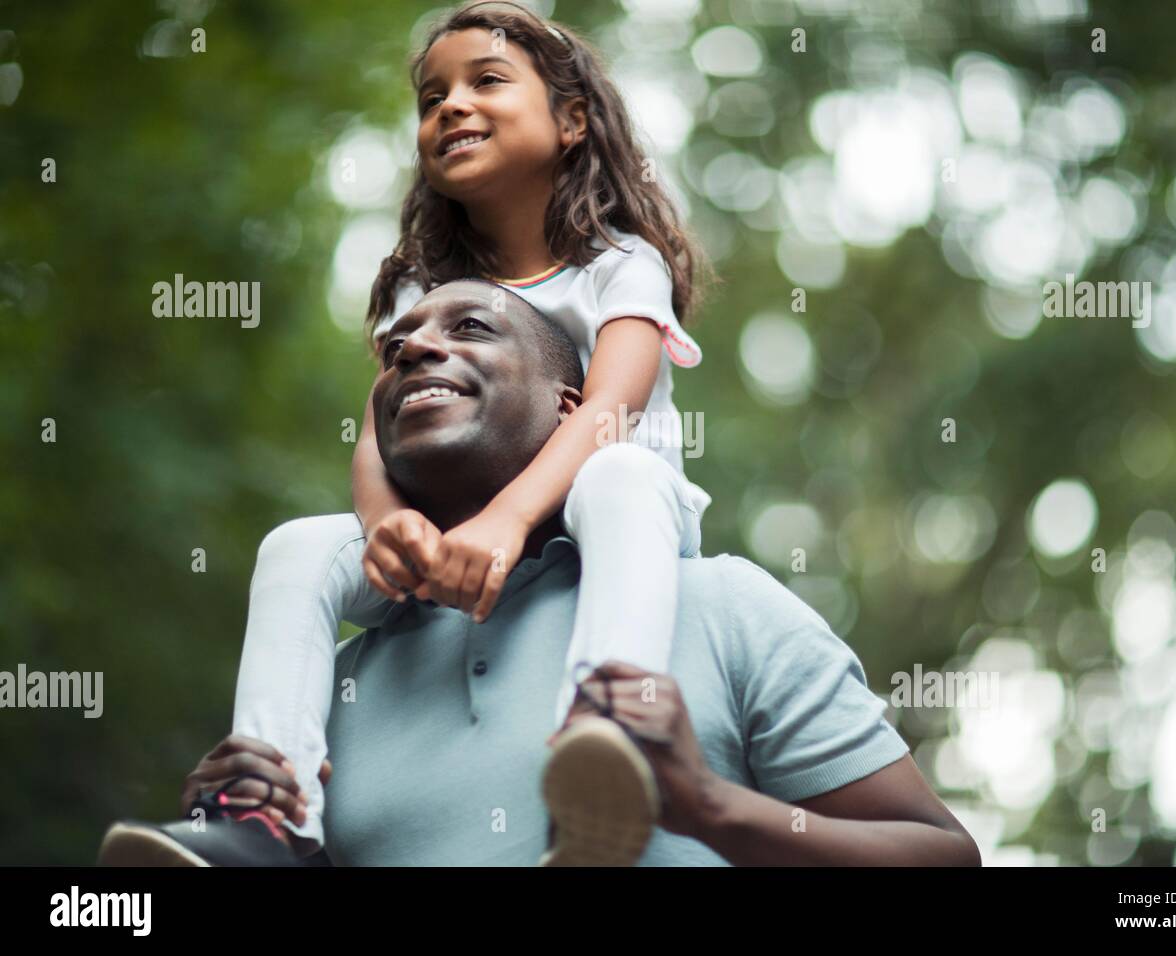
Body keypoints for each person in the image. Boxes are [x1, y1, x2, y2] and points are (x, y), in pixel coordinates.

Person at [99, 280, 980, 867]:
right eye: (399, 344)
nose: (412, 350)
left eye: (469, 329)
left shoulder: (720, 606)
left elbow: (944, 856)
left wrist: (709, 807)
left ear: (571, 411)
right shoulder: (329, 691)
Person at [244, 1, 717, 862]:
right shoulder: (421, 289)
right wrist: (391, 526)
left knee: (620, 475)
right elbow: (373, 434)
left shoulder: (619, 265)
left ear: (573, 120)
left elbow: (616, 407)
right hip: (449, 546)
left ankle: (605, 736)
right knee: (294, 549)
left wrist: (506, 519)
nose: (450, 107)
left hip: (605, 531)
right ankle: (268, 815)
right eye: (432, 98)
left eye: (486, 81)